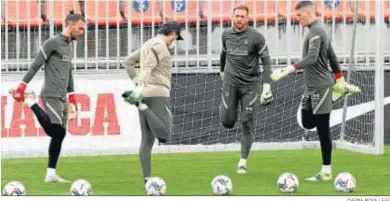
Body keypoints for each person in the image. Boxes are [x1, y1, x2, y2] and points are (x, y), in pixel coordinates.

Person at [270, 1, 360, 181]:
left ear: (308, 13)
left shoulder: (317, 31)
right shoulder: (316, 31)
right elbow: (332, 57)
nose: (297, 19)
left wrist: (288, 69)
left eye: (299, 15)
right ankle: (337, 93)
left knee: (322, 130)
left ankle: (326, 171)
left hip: (320, 86)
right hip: (311, 87)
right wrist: (341, 80)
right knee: (307, 122)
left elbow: (311, 58)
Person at [11, 11, 86, 183]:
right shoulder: (52, 43)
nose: (82, 32)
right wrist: (22, 87)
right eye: (80, 29)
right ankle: (30, 101)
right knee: (55, 131)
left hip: (61, 97)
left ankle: (50, 173)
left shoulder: (68, 46)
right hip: (50, 94)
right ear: (71, 24)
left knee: (60, 134)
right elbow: (36, 64)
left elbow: (69, 73)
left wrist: (72, 96)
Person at [121, 21, 183, 185]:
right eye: (176, 37)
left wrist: (137, 83)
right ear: (173, 34)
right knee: (165, 135)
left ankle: (147, 179)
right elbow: (148, 68)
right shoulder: (161, 45)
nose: (174, 41)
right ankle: (141, 105)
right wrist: (139, 87)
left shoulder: (148, 44)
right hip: (158, 94)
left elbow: (127, 61)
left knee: (146, 141)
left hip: (145, 93)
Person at [219, 5, 274, 175]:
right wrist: (221, 70)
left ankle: (242, 162)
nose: (239, 19)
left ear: (247, 18)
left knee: (246, 121)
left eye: (243, 16)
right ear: (232, 17)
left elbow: (266, 62)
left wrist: (267, 86)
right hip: (230, 83)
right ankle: (227, 109)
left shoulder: (256, 37)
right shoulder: (226, 34)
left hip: (250, 85)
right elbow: (223, 54)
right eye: (237, 16)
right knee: (228, 123)